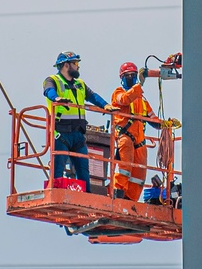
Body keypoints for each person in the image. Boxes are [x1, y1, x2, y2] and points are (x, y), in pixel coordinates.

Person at [43, 52, 113, 189]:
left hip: (78, 135)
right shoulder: (52, 80)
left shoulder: (80, 84)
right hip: (61, 133)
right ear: (66, 65)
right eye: (75, 63)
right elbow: (48, 91)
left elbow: (93, 96)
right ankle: (56, 191)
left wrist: (106, 105)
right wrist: (57, 99)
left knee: (83, 171)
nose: (78, 67)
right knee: (58, 168)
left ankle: (86, 196)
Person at [110, 62, 161, 201]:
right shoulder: (118, 93)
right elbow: (125, 100)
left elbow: (152, 118)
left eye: (133, 75)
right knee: (124, 167)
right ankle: (118, 193)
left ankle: (131, 199)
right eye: (128, 76)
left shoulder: (141, 100)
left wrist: (164, 124)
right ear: (122, 77)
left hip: (139, 140)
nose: (131, 77)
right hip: (124, 136)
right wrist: (139, 85)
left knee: (139, 172)